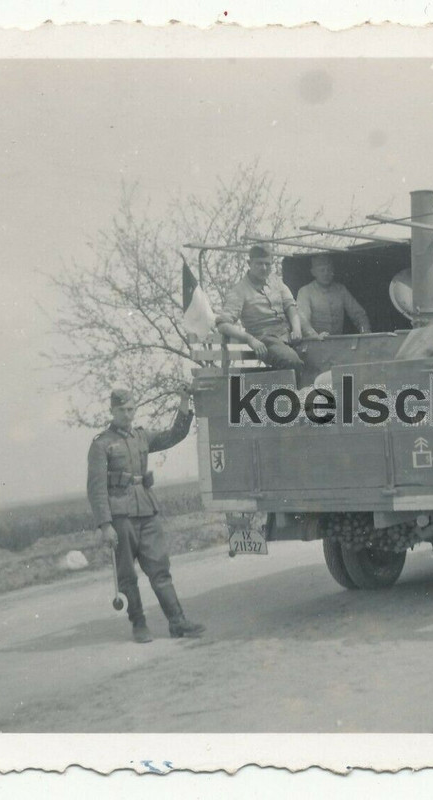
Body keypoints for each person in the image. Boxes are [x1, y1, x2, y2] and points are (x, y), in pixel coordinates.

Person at [87, 387, 206, 643]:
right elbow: (96, 488)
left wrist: (184, 401)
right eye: (121, 410)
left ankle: (177, 622)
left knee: (160, 569)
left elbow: (174, 435)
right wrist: (105, 524)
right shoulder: (102, 444)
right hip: (121, 516)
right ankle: (139, 623)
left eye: (130, 409)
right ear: (112, 411)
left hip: (147, 510)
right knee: (127, 574)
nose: (127, 415)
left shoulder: (141, 437)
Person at [216, 244, 314, 380]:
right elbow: (223, 324)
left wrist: (296, 329)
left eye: (268, 264)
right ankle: (296, 398)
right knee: (292, 361)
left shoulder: (275, 281)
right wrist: (250, 340)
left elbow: (290, 306)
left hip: (288, 335)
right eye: (259, 264)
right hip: (265, 339)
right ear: (249, 263)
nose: (264, 268)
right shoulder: (239, 291)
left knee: (319, 355)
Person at [296, 254, 372, 336]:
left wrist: (365, 330)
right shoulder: (305, 291)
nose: (326, 273)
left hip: (337, 341)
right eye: (322, 270)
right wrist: (314, 336)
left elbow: (358, 314)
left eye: (329, 270)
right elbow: (303, 319)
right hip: (313, 342)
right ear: (313, 272)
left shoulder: (341, 290)